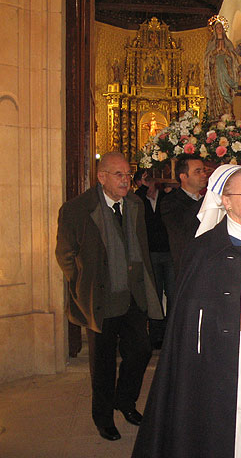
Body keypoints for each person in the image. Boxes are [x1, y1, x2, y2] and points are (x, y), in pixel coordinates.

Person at [132, 165, 241, 457]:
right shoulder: (205, 250)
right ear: (226, 201)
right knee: (237, 432)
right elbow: (188, 321)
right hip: (227, 363)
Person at [55, 152, 163, 441]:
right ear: (101, 177)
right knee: (102, 364)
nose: (126, 180)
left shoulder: (135, 205)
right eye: (119, 174)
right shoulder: (77, 209)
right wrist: (81, 284)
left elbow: (139, 247)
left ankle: (125, 402)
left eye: (128, 174)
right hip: (100, 299)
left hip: (132, 297)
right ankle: (103, 418)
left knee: (140, 351)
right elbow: (65, 255)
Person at [134, 169, 174, 349]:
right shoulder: (138, 199)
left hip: (168, 252)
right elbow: (136, 202)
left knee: (172, 293)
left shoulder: (166, 197)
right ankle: (156, 334)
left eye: (150, 180)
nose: (148, 184)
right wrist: (142, 189)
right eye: (144, 181)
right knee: (155, 294)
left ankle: (171, 333)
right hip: (150, 253)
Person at [160, 156, 207, 277]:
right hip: (188, 268)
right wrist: (208, 200)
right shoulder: (170, 202)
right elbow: (184, 227)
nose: (203, 175)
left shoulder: (207, 200)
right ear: (183, 176)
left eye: (203, 170)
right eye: (198, 171)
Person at [203, 16, 240, 120]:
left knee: (226, 92)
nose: (219, 29)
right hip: (215, 74)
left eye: (220, 27)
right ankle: (216, 115)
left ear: (223, 30)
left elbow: (234, 59)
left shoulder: (228, 43)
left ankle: (228, 115)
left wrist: (226, 52)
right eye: (217, 27)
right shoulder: (211, 44)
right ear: (214, 30)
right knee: (217, 93)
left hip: (226, 72)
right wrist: (215, 52)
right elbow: (207, 59)